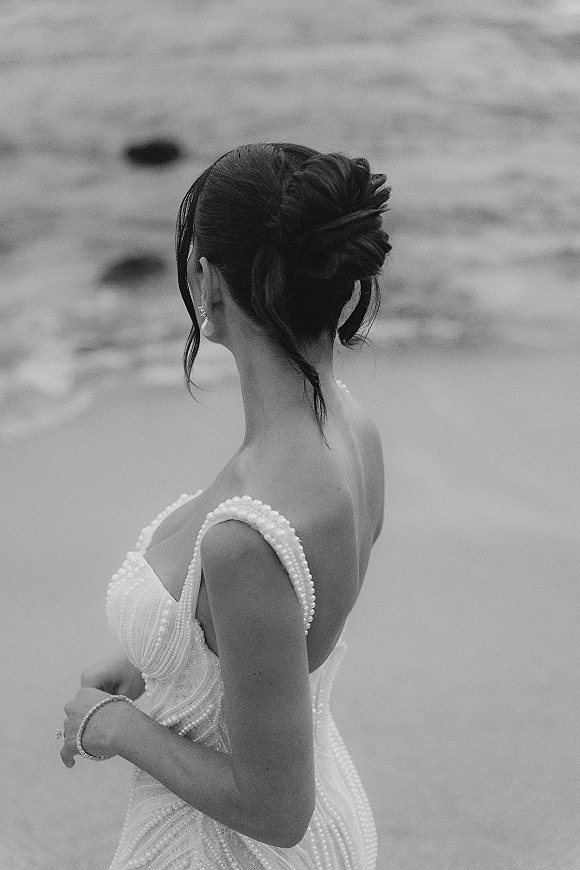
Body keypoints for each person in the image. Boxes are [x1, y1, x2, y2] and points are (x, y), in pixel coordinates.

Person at [59, 143, 392, 869]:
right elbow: (272, 644)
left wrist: (114, 726)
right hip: (338, 816)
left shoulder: (247, 538)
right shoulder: (351, 429)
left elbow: (275, 809)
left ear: (208, 280)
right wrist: (154, 659)